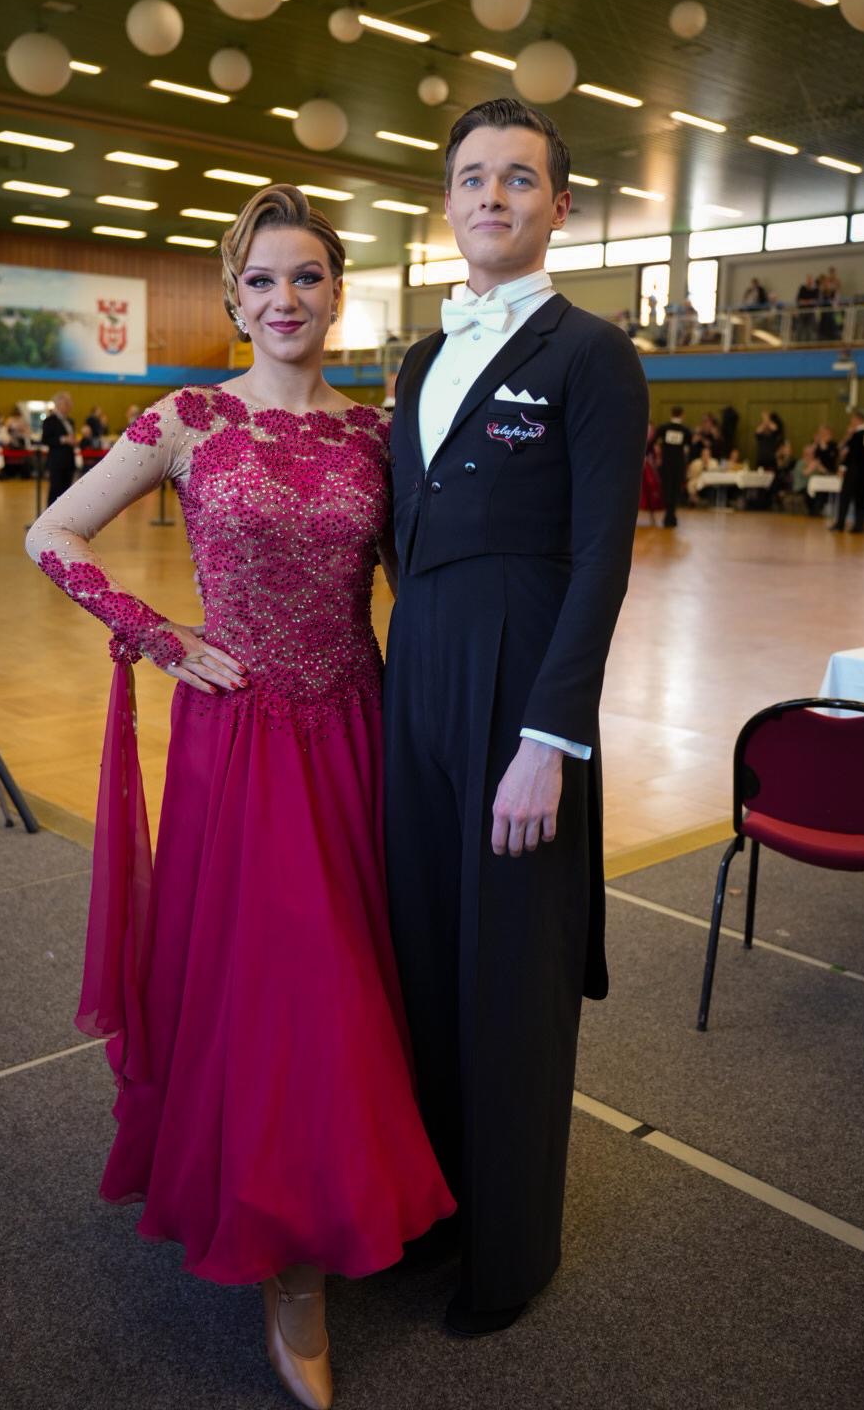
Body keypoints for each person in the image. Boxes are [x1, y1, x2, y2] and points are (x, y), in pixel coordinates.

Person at [25, 184, 454, 1410]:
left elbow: (427, 585)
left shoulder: (379, 434)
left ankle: (340, 1195)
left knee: (353, 976)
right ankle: (289, 1261)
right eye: (262, 279)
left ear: (339, 291)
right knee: (275, 983)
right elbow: (53, 535)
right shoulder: (187, 418)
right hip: (240, 734)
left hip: (357, 729)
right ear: (233, 295)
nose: (285, 298)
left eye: (307, 276)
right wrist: (159, 636)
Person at [384, 98, 648, 1337]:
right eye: (473, 177)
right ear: (446, 203)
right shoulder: (417, 362)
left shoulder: (592, 355)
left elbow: (603, 559)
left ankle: (512, 1251)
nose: (493, 195)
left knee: (512, 979)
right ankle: (437, 1206)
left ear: (560, 205)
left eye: (520, 178)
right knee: (426, 959)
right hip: (418, 681)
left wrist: (550, 738)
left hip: (521, 700)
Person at [831, 409, 864, 533]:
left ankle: (840, 523)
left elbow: (852, 455)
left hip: (855, 470)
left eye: (852, 419)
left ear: (857, 420)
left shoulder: (857, 435)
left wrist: (842, 467)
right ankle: (859, 525)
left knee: (845, 496)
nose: (851, 422)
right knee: (861, 498)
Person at [657, 405, 692, 527]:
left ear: (671, 414)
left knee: (667, 488)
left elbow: (653, 442)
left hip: (666, 464)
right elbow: (689, 448)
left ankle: (669, 515)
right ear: (682, 415)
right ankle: (671, 515)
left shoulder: (663, 428)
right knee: (675, 489)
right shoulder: (685, 431)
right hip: (678, 465)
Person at [40, 391, 77, 505]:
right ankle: (50, 514)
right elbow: (45, 439)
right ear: (58, 404)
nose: (70, 405)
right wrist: (63, 440)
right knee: (55, 491)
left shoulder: (70, 421)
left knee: (67, 493)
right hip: (56, 462)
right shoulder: (50, 421)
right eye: (67, 403)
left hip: (69, 461)